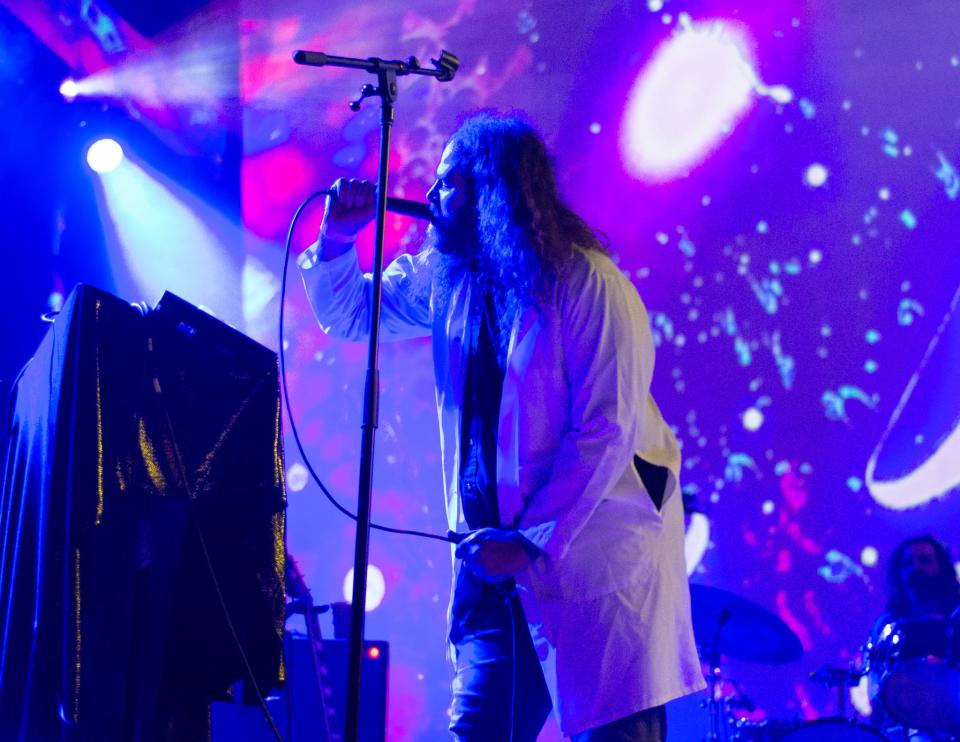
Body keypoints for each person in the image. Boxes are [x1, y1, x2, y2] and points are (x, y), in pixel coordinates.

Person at [299, 112, 704, 741]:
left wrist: (531, 540)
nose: (430, 197)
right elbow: (354, 315)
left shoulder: (588, 283)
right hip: (492, 566)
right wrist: (336, 242)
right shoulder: (448, 281)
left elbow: (605, 430)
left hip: (592, 564)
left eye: (448, 183)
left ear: (494, 188)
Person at [864, 536, 960, 736]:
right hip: (901, 731)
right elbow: (875, 681)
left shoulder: (956, 617)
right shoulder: (886, 625)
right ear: (897, 573)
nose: (915, 567)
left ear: (940, 566)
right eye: (907, 563)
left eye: (924, 560)